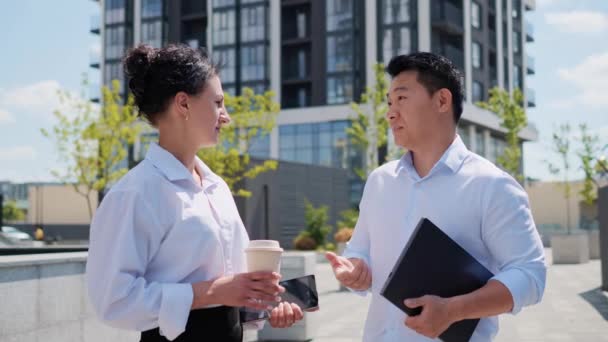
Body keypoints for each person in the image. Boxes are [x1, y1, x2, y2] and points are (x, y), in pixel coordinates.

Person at [86, 44, 303, 342]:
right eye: (218, 103)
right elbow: (113, 300)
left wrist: (267, 307)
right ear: (183, 104)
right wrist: (209, 293)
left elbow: (234, 286)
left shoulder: (216, 186)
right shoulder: (135, 193)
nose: (226, 116)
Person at [325, 52, 546, 341]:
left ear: (442, 101)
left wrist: (455, 309)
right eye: (389, 102)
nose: (390, 113)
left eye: (402, 99)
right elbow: (359, 252)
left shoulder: (492, 186)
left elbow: (530, 275)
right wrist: (355, 269)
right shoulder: (380, 181)